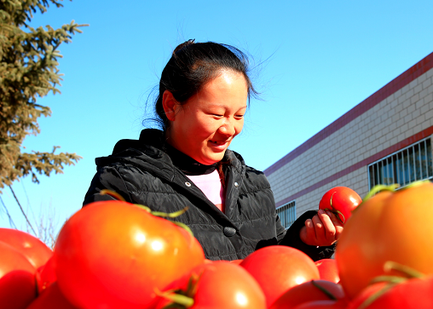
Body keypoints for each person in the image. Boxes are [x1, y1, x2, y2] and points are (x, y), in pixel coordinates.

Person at [83, 40, 342, 261]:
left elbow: (275, 263)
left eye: (239, 115)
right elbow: (104, 270)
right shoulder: (121, 183)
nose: (230, 129)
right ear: (171, 106)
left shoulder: (254, 184)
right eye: (217, 115)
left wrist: (305, 239)